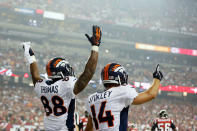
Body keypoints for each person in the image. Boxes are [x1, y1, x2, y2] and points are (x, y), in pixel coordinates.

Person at [22, 25, 102, 131]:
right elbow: (88, 73)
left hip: (49, 128)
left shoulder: (42, 85)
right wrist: (95, 46)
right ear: (63, 71)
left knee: (78, 121)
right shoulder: (66, 84)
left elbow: (35, 76)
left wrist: (31, 58)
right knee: (80, 123)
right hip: (65, 128)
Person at [85, 63, 163, 131]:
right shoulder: (122, 91)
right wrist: (157, 79)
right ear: (119, 78)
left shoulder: (91, 98)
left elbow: (89, 129)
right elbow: (151, 94)